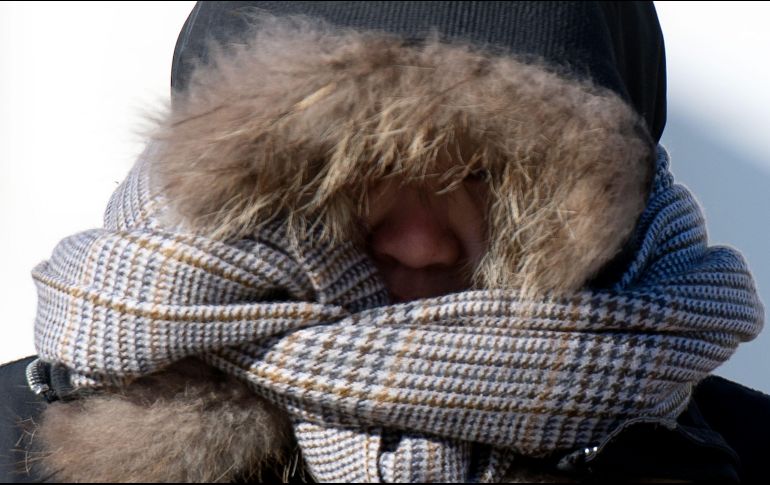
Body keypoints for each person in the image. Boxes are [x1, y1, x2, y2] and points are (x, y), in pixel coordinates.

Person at [1, 1, 768, 482]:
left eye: (483, 174)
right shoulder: (14, 441)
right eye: (348, 175)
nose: (420, 242)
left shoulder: (740, 451)